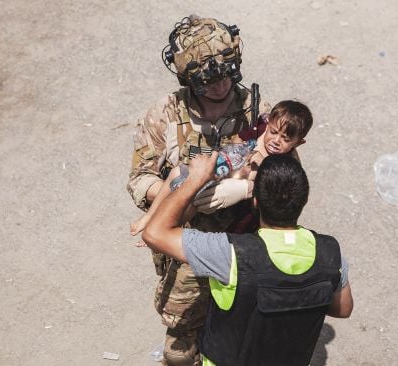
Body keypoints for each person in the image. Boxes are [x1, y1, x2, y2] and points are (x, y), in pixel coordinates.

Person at [127, 15, 271, 365]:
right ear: (188, 78)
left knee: (241, 328)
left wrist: (245, 188)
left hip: (242, 241)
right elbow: (139, 177)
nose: (221, 87)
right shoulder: (163, 115)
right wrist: (178, 191)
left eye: (227, 75)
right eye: (209, 80)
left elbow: (286, 179)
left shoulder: (257, 110)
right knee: (180, 340)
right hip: (184, 243)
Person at [142, 153, 354, 366]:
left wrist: (194, 180)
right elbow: (343, 309)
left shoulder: (230, 253)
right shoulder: (329, 253)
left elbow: (155, 233)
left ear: (255, 201)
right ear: (304, 200)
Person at [130, 100, 313, 239]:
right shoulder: (261, 127)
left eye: (286, 139)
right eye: (273, 132)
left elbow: (269, 189)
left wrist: (247, 182)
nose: (276, 141)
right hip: (222, 171)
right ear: (269, 123)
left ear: (299, 142)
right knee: (176, 173)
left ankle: (164, 231)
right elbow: (237, 142)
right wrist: (238, 153)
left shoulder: (285, 164)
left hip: (237, 219)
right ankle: (150, 218)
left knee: (195, 199)